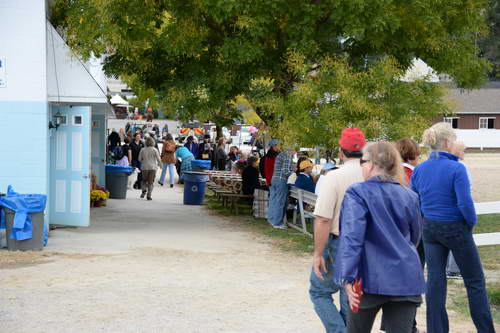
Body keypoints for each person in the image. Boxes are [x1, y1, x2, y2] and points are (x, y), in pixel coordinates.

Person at [411, 122, 495, 333]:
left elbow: (414, 200)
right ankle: (485, 330)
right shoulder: (456, 168)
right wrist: (470, 223)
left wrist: (425, 219)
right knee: (475, 280)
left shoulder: (420, 169)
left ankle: (436, 330)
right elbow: (464, 203)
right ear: (448, 142)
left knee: (436, 281)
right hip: (455, 226)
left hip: (430, 227)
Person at [335, 141, 425, 333]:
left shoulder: (357, 193)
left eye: (362, 161)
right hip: (405, 277)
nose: (361, 166)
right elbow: (415, 237)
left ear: (372, 164)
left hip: (368, 277)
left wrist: (347, 277)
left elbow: (352, 237)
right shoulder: (409, 196)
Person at [311, 128, 366, 333]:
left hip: (338, 240)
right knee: (350, 294)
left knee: (319, 292)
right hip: (363, 242)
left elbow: (323, 218)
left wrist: (318, 253)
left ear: (341, 152)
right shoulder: (371, 175)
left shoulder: (334, 177)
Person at [267, 147, 295, 229]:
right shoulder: (288, 156)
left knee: (274, 200)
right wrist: (293, 173)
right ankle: (277, 223)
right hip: (281, 180)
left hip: (274, 179)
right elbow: (285, 171)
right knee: (280, 202)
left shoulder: (280, 155)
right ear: (292, 150)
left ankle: (271, 219)